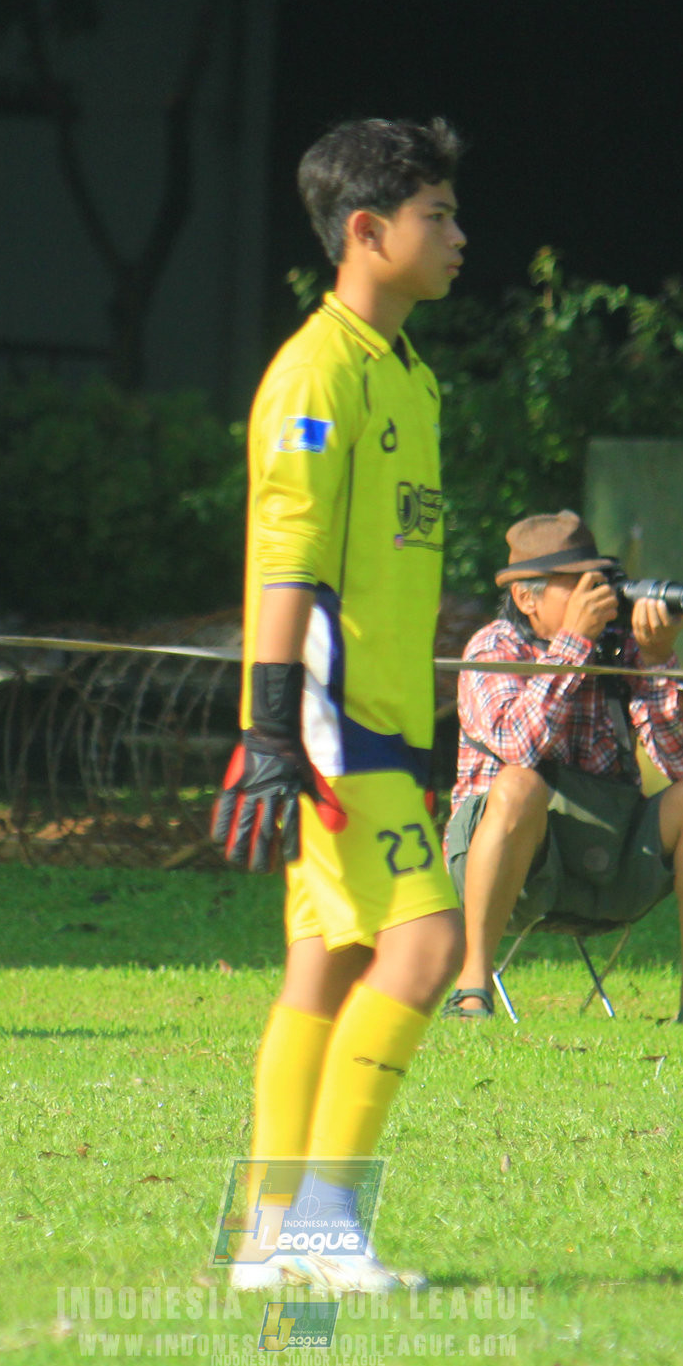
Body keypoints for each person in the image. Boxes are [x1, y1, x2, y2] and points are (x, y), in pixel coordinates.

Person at [210, 118, 466, 1295]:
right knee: (426, 944)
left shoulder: (404, 373)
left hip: (387, 721)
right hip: (328, 722)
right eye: (437, 217)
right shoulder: (315, 373)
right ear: (367, 232)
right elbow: (286, 563)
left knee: (328, 962)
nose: (458, 239)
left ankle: (267, 1235)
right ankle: (321, 1221)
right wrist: (268, 734)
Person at [443, 512, 683, 1027]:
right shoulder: (494, 647)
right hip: (515, 868)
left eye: (601, 583)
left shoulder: (622, 651)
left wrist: (656, 659)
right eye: (577, 586)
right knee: (518, 785)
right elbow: (519, 746)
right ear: (525, 598)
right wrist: (573, 649)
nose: (598, 598)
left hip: (609, 864)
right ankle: (472, 990)